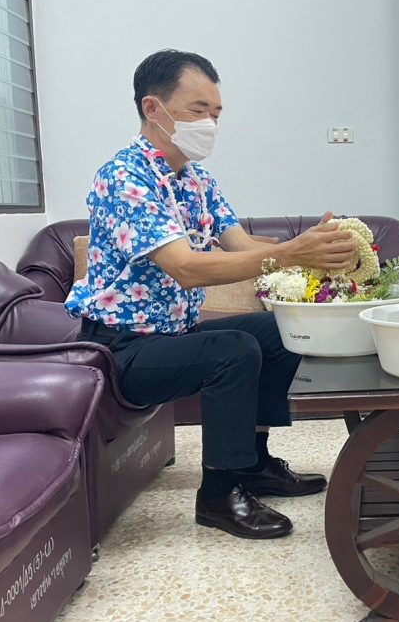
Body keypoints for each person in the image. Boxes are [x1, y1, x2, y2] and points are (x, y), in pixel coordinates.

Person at [66, 49, 359, 540]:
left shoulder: (197, 181)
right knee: (233, 349)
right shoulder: (124, 177)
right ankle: (219, 495)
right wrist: (290, 253)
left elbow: (241, 246)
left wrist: (312, 247)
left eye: (216, 113)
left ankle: (254, 464)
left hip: (171, 337)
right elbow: (185, 268)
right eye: (198, 110)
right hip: (120, 349)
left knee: (279, 329)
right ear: (153, 108)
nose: (210, 124)